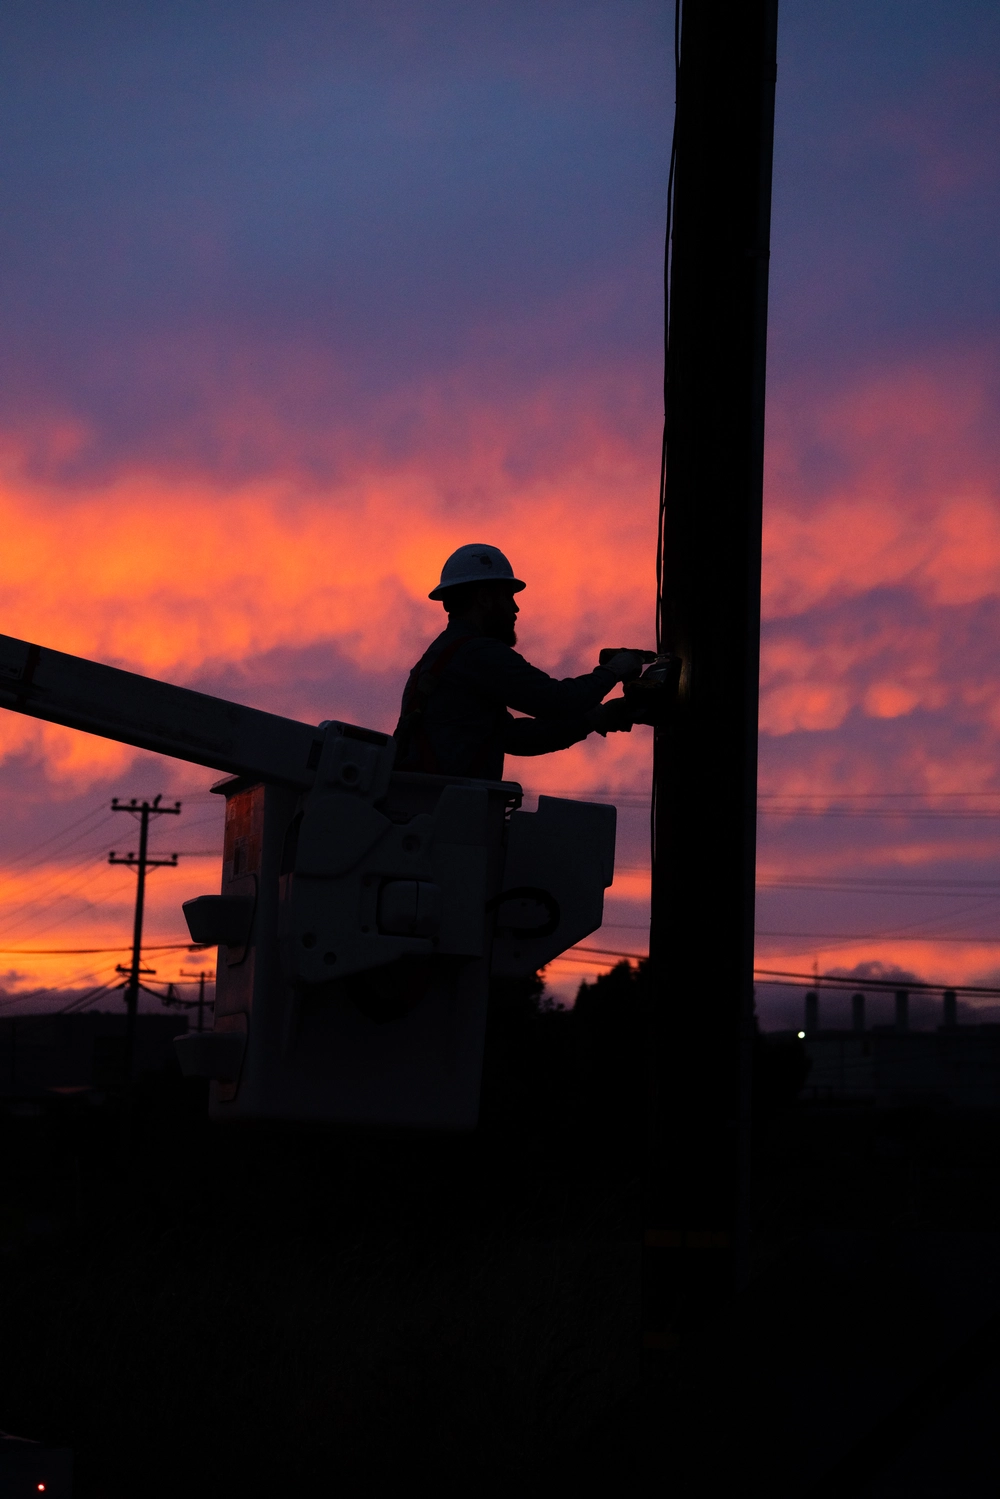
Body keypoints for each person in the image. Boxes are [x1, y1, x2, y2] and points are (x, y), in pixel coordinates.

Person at [393, 543, 646, 780]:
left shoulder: (439, 658)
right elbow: (558, 701)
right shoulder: (477, 654)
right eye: (508, 597)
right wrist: (615, 670)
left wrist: (595, 718)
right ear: (483, 598)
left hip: (435, 811)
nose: (515, 609)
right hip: (451, 815)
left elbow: (516, 738)